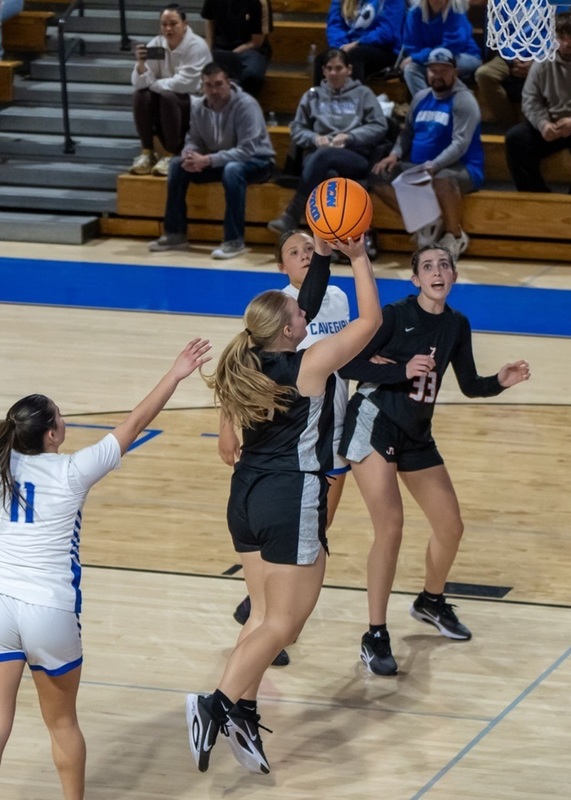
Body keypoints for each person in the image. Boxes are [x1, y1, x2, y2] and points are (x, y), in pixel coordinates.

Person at [185, 234, 381, 775]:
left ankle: (245, 709)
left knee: (265, 616)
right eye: (299, 311)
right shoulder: (308, 367)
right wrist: (359, 259)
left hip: (245, 496)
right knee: (285, 624)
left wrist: (321, 253)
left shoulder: (249, 358)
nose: (305, 309)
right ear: (290, 330)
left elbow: (308, 302)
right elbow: (368, 325)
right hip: (290, 496)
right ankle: (216, 704)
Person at [0, 338, 212, 800]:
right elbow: (135, 422)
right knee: (62, 724)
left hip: (0, 606)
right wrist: (175, 374)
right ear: (52, 435)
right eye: (59, 416)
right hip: (48, 610)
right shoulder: (74, 470)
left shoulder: (2, 466)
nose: (64, 419)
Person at [337, 243, 531, 676]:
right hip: (374, 422)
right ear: (415, 279)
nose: (437, 271)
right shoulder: (394, 315)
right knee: (390, 527)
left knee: (451, 526)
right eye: (428, 266)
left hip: (415, 434)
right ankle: (375, 635)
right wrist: (399, 371)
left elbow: (468, 385)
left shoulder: (457, 325)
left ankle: (430, 601)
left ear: (454, 277)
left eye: (444, 264)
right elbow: (347, 364)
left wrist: (499, 382)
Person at [225, 230, 352, 663]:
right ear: (282, 266)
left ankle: (267, 601)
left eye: (307, 248)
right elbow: (241, 371)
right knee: (285, 613)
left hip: (328, 423)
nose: (302, 255)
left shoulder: (335, 297)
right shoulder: (281, 308)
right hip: (296, 442)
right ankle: (269, 611)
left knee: (320, 525)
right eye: (293, 251)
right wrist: (226, 425)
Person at [148, 61, 275, 258]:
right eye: (209, 85)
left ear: (228, 83)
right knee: (175, 165)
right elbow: (194, 139)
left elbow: (246, 151)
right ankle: (175, 233)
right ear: (202, 85)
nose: (214, 90)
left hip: (258, 161)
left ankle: (234, 240)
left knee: (233, 170)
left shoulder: (246, 105)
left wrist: (207, 160)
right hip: (219, 161)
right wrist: (189, 154)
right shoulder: (198, 106)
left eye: (218, 84)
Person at [370, 47, 484, 259]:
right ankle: (426, 221)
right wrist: (394, 155)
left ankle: (454, 235)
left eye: (443, 70)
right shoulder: (421, 97)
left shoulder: (464, 100)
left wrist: (435, 165)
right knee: (377, 175)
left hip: (462, 168)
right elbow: (407, 133)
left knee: (442, 178)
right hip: (420, 167)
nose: (437, 75)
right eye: (433, 70)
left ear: (455, 72)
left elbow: (460, 144)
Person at [268, 48, 387, 237]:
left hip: (353, 155)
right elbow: (297, 128)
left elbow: (379, 126)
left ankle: (292, 215)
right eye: (329, 68)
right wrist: (314, 138)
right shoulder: (312, 95)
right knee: (328, 173)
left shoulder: (363, 94)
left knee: (326, 158)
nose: (333, 73)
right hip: (317, 155)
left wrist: (351, 137)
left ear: (349, 69)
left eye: (338, 68)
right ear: (323, 71)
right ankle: (332, 239)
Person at [505, 11, 571, 195]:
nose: (566, 43)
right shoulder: (542, 62)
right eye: (561, 37)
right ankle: (536, 195)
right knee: (515, 138)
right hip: (552, 122)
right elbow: (530, 99)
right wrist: (542, 123)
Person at [130, 4, 211, 177]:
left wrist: (153, 83)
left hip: (196, 102)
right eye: (164, 24)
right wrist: (141, 64)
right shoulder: (157, 44)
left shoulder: (197, 46)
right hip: (167, 101)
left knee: (167, 96)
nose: (168, 28)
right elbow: (138, 83)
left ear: (184, 24)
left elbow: (185, 84)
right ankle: (147, 152)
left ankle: (171, 154)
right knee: (141, 96)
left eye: (173, 24)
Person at [400, 0, 483, 98]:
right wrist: (421, 58)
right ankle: (426, 106)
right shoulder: (414, 13)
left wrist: (421, 57)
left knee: (442, 68)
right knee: (410, 69)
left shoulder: (456, 10)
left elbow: (452, 46)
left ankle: (455, 104)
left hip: (464, 55)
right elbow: (412, 46)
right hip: (429, 59)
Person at [317, 0, 405, 84]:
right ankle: (321, 98)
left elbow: (387, 31)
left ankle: (354, 98)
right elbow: (334, 26)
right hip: (348, 47)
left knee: (355, 55)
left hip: (384, 49)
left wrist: (358, 43)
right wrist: (340, 48)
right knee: (323, 58)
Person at [200, 0, 272, 97]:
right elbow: (209, 20)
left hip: (249, 50)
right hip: (219, 48)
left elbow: (256, 42)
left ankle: (243, 106)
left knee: (252, 74)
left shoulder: (259, 2)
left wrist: (230, 56)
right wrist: (207, 49)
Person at [474, 54, 532, 128]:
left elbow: (549, 47)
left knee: (546, 69)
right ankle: (509, 124)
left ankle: (540, 124)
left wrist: (535, 61)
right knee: (483, 74)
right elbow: (501, 43)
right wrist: (512, 60)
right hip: (507, 56)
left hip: (543, 58)